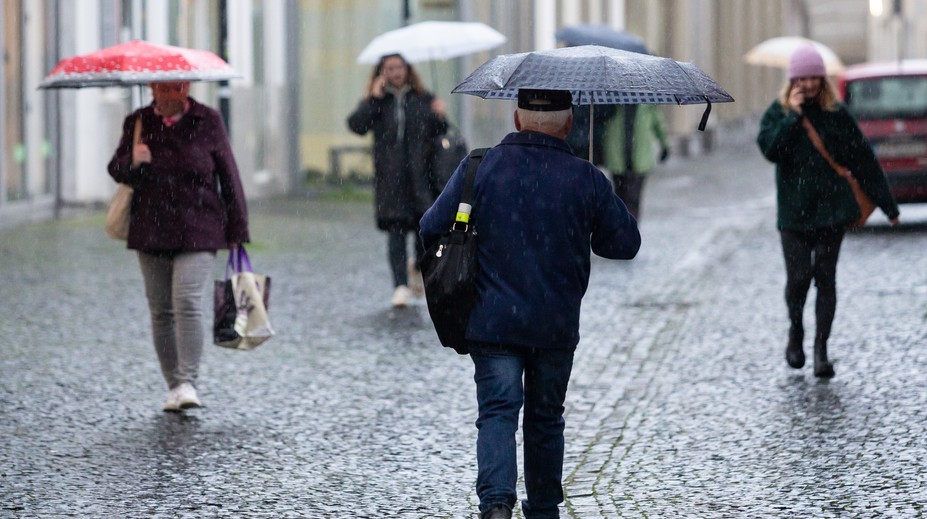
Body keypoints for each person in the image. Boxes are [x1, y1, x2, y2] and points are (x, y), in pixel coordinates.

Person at [421, 89, 641, 519]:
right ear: (569, 124)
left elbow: (431, 225)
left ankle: (496, 503)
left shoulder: (480, 166)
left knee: (497, 412)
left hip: (493, 319)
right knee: (546, 418)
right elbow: (624, 244)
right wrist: (591, 202)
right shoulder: (585, 177)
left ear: (517, 119)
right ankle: (543, 508)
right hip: (554, 325)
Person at [756, 44, 899, 378]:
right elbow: (771, 150)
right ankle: (796, 332)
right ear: (792, 81)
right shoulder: (778, 113)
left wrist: (888, 205)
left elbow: (863, 159)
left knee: (825, 277)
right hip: (793, 215)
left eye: (813, 77)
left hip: (831, 212)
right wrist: (793, 117)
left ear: (822, 80)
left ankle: (821, 350)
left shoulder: (836, 114)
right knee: (798, 279)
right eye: (801, 78)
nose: (807, 84)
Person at [107, 81, 250, 411]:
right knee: (161, 309)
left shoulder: (208, 120)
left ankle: (187, 382)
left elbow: (228, 173)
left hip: (199, 226)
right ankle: (173, 385)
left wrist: (238, 227)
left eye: (179, 88)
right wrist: (133, 159)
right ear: (152, 88)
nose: (173, 95)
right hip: (151, 228)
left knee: (186, 300)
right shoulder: (138, 121)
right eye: (166, 89)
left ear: (187, 88)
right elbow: (115, 169)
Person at [347, 53, 448, 308]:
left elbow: (439, 133)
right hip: (391, 180)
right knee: (396, 232)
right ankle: (400, 286)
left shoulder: (422, 98)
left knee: (423, 231)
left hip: (421, 178)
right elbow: (357, 126)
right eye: (390, 68)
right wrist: (373, 98)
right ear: (381, 72)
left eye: (399, 67)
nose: (395, 72)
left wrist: (439, 115)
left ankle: (417, 266)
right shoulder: (378, 102)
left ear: (407, 69)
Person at [602, 104, 670, 219]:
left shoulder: (647, 105)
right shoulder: (614, 104)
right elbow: (603, 125)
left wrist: (665, 145)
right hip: (617, 159)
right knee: (620, 199)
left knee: (633, 198)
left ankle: (630, 225)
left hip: (640, 160)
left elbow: (658, 124)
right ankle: (623, 225)